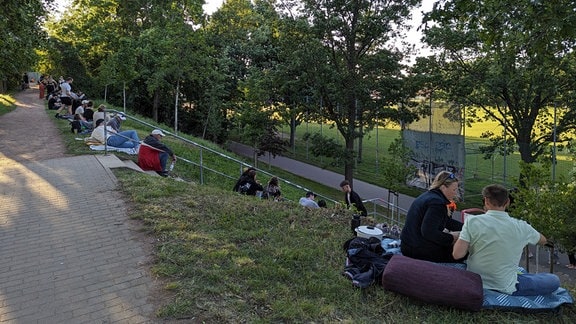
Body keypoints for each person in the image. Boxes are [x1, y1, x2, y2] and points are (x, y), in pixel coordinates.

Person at [453, 184, 560, 296]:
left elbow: (457, 254)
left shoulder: (472, 222)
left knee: (522, 275)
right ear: (507, 202)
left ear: (486, 201)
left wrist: (463, 237)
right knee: (553, 280)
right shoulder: (522, 227)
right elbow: (543, 240)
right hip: (504, 286)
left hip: (476, 281)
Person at [400, 171, 464, 263]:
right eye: (454, 190)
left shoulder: (430, 196)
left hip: (408, 244)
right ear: (443, 187)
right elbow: (428, 232)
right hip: (416, 249)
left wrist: (467, 227)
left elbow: (445, 221)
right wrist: (452, 238)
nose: (455, 193)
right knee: (461, 253)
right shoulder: (437, 203)